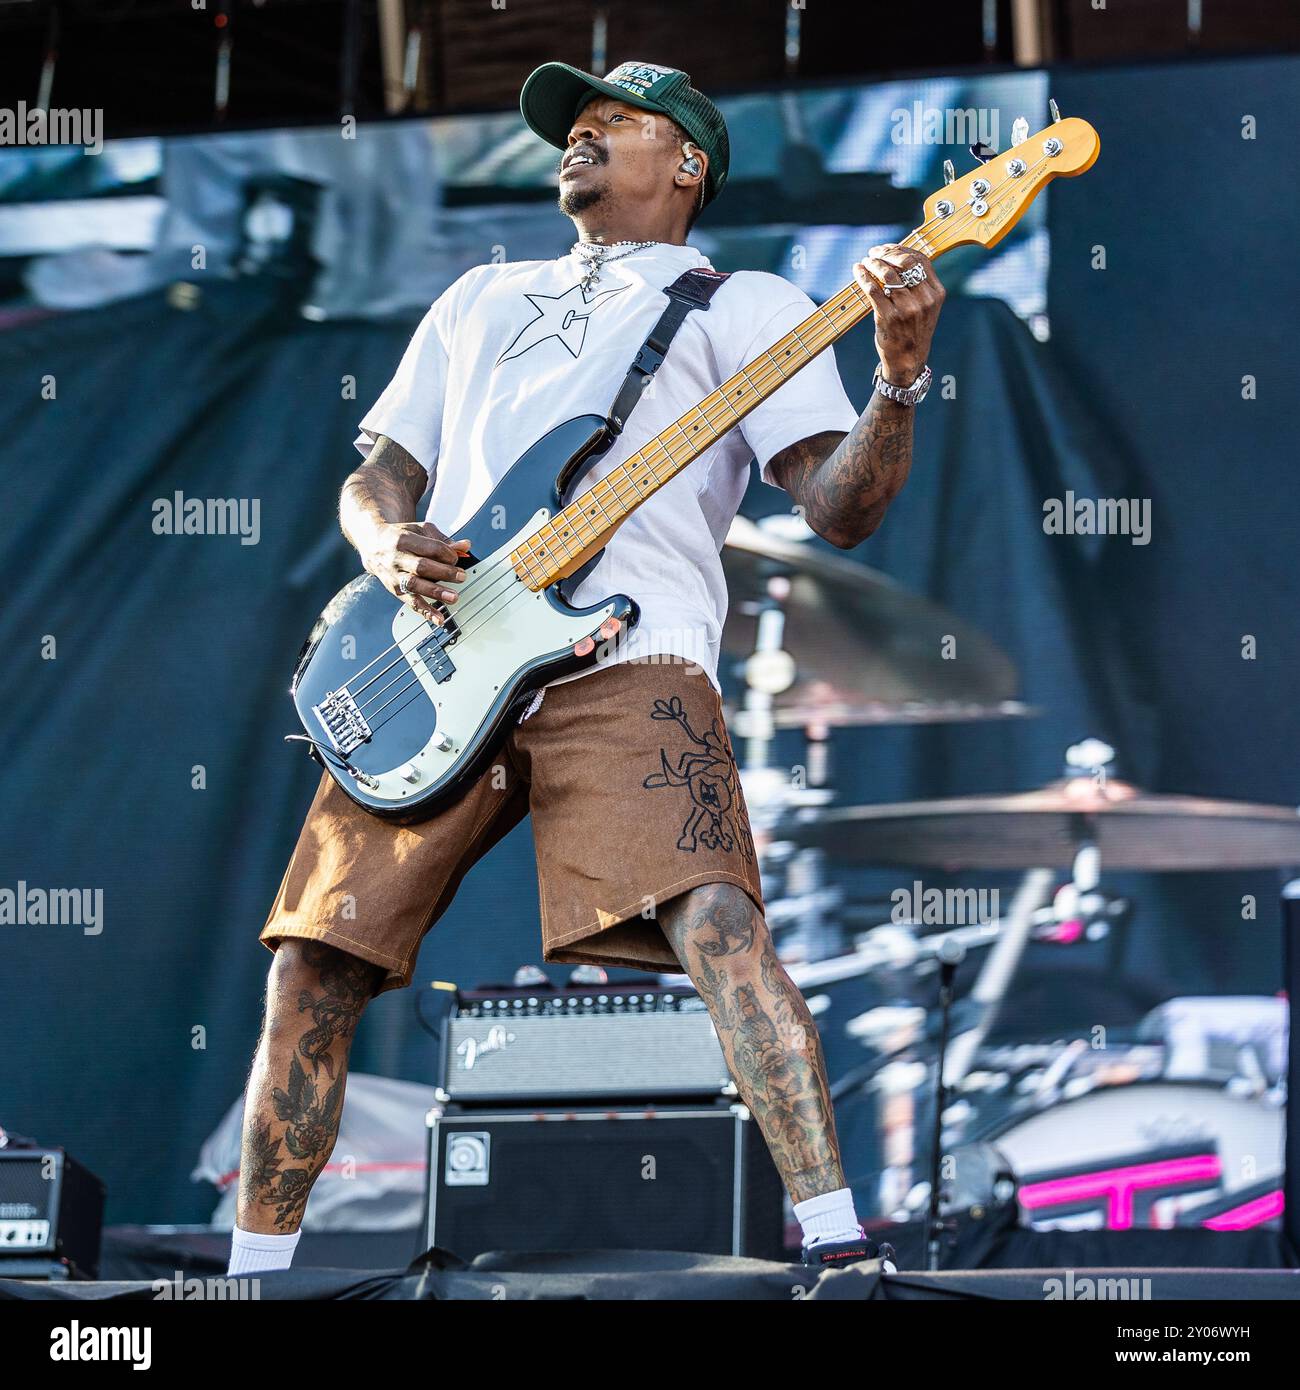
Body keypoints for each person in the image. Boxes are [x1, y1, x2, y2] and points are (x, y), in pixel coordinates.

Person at [227, 59, 944, 1277]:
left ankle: (839, 1252)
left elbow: (837, 508)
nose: (582, 136)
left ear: (689, 164)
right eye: (576, 125)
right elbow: (378, 477)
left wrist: (898, 373)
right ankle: (250, 1277)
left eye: (616, 122)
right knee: (313, 958)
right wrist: (384, 543)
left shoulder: (750, 305)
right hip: (438, 660)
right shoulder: (479, 295)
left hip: (631, 655)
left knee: (719, 922)